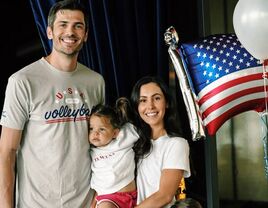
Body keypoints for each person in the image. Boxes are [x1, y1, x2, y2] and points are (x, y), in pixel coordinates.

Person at [0, 0, 105, 207]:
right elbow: (7, 151)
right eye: (63, 24)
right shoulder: (22, 81)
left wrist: (100, 198)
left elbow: (101, 144)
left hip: (86, 203)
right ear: (49, 32)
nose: (70, 32)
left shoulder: (95, 82)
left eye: (78, 25)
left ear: (85, 35)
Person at [130, 76, 191, 208]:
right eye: (143, 100)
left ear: (167, 103)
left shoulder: (176, 144)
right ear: (137, 106)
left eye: (156, 98)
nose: (150, 106)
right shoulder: (133, 142)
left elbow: (165, 196)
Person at [89, 97, 138, 208]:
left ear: (115, 132)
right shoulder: (91, 150)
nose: (95, 133)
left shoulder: (122, 138)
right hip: (108, 198)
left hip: (132, 196)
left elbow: (139, 128)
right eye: (91, 129)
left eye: (101, 129)